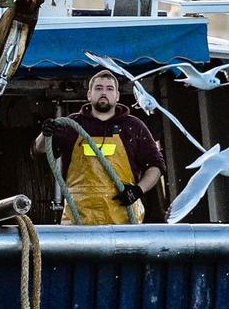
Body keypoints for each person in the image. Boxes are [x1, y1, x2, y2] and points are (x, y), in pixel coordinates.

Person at [30, 67, 165, 226]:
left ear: (117, 96)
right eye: (98, 88)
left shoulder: (133, 126)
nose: (104, 93)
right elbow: (37, 151)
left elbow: (156, 166)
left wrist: (138, 190)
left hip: (123, 222)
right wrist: (44, 134)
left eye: (109, 89)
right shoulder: (72, 124)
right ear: (89, 94)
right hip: (78, 221)